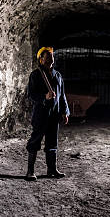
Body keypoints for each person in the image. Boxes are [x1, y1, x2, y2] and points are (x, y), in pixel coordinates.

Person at [25, 46, 70, 181]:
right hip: (40, 114)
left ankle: (52, 169)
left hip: (54, 114)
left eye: (52, 56)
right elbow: (31, 95)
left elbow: (62, 96)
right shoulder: (35, 75)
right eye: (48, 56)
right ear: (41, 59)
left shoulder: (58, 75)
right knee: (35, 141)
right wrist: (45, 97)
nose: (51, 59)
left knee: (52, 142)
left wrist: (64, 112)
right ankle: (30, 171)